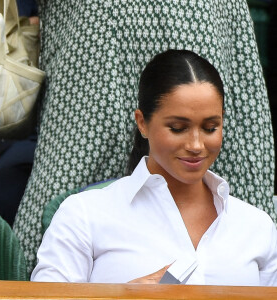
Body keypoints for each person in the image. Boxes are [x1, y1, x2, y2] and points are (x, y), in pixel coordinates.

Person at [14, 1, 276, 273]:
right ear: (142, 122)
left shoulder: (257, 228)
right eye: (178, 128)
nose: (196, 145)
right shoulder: (84, 216)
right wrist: (122, 295)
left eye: (210, 128)